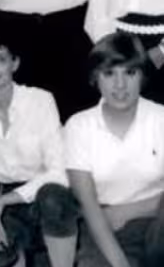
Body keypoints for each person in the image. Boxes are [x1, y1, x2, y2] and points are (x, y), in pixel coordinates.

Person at [0, 20, 79, 267]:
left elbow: (58, 172)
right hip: (0, 204)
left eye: (0, 59)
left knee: (54, 197)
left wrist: (4, 201)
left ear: (15, 63)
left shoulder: (41, 101)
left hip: (44, 199)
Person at [64, 32, 164, 267]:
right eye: (109, 74)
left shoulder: (161, 118)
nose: (120, 85)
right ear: (95, 78)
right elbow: (88, 205)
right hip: (105, 227)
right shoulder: (79, 126)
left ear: (142, 76)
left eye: (130, 73)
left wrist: (128, 211)